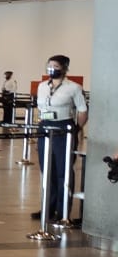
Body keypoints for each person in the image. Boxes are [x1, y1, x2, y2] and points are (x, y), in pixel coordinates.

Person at [33, 54, 87, 224]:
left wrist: (76, 129)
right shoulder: (42, 86)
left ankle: (63, 210)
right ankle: (48, 207)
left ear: (64, 68)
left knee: (63, 170)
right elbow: (40, 107)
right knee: (47, 169)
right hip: (45, 126)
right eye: (49, 65)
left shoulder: (74, 88)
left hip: (64, 128)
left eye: (56, 66)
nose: (52, 69)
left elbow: (82, 111)